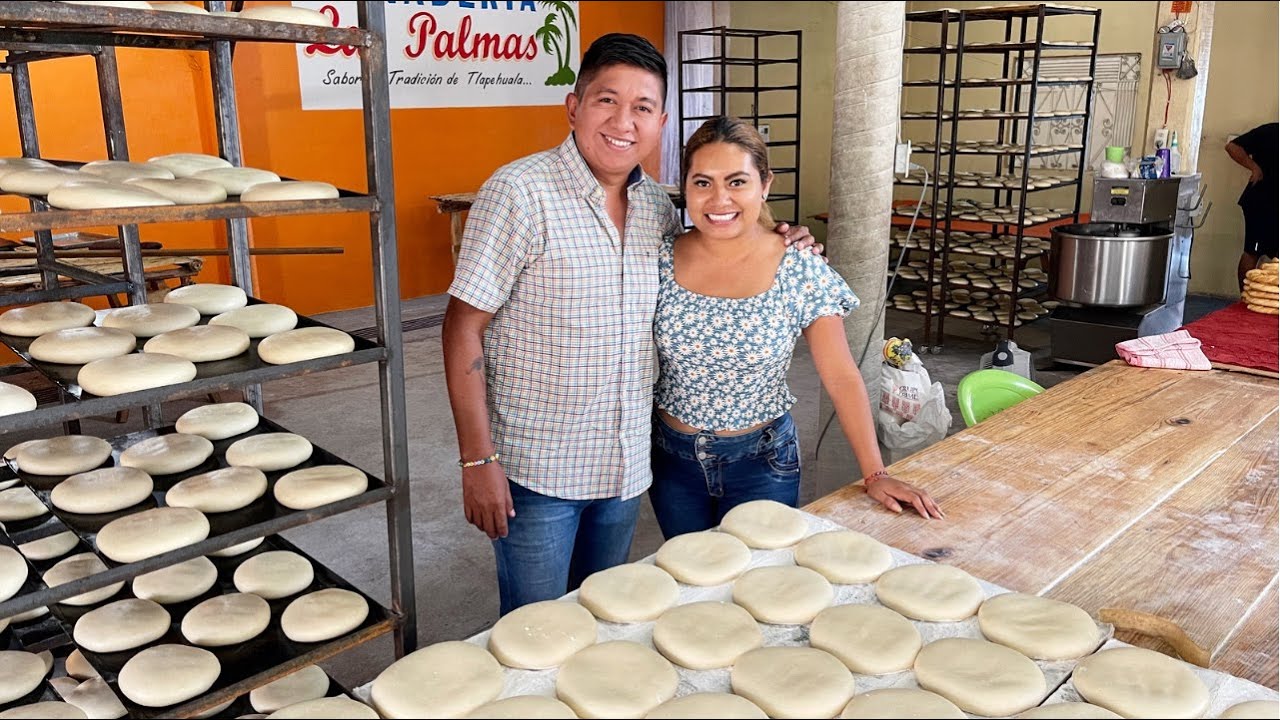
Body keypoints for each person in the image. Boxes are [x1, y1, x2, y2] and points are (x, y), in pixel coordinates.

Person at [442, 34, 817, 616]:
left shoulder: (658, 211)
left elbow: (721, 245)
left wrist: (782, 236)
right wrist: (477, 460)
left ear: (661, 121)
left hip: (625, 472)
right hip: (537, 474)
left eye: (642, 107)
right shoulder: (519, 193)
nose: (623, 121)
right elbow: (462, 327)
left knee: (605, 624)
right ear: (574, 106)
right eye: (606, 100)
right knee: (533, 631)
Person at [648, 116, 944, 540]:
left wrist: (875, 473)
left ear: (764, 185)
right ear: (686, 188)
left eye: (737, 182)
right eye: (702, 183)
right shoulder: (660, 259)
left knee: (764, 589)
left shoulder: (798, 265)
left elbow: (841, 375)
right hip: (672, 462)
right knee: (691, 584)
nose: (719, 199)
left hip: (761, 462)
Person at [1227, 122, 1278, 289]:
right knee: (1252, 251)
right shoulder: (1269, 131)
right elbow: (1232, 147)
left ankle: (1272, 298)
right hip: (1261, 202)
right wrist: (1254, 168)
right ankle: (1244, 297)